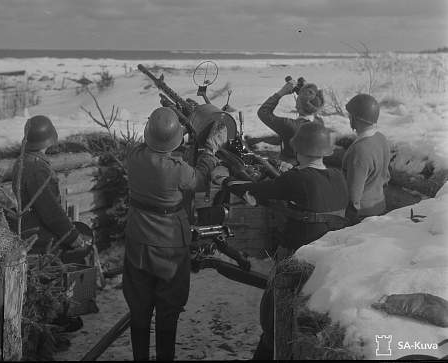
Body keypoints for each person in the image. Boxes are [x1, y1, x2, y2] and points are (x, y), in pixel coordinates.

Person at [226, 122, 349, 360]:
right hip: (329, 260)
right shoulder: (338, 177)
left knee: (273, 315)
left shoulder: (295, 178)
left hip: (295, 258)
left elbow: (255, 192)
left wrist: (225, 180)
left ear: (299, 150)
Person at [123, 107, 227, 361]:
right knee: (168, 307)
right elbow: (200, 178)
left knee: (139, 304)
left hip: (137, 239)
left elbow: (152, 149)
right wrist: (209, 150)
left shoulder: (134, 157)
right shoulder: (178, 170)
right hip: (170, 244)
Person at [11, 115, 86, 261]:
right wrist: (71, 236)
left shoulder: (23, 160)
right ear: (49, 139)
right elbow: (50, 210)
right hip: (41, 237)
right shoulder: (37, 169)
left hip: (29, 229)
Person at [342, 94, 391, 223]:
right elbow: (386, 177)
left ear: (356, 119)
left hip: (362, 214)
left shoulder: (359, 150)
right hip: (379, 204)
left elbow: (354, 192)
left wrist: (348, 217)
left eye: (350, 116)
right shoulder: (381, 138)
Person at [257, 79, 325, 163]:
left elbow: (263, 112)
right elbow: (315, 107)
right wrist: (307, 92)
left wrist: (281, 92)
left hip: (290, 169)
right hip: (311, 167)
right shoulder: (319, 123)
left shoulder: (289, 125)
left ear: (298, 105)